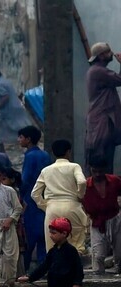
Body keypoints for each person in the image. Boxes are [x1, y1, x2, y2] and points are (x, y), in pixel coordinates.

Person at [31, 139, 89, 254]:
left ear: (53, 153)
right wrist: (80, 195)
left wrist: (45, 206)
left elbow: (34, 193)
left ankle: (55, 270)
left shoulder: (46, 170)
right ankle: (73, 270)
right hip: (72, 207)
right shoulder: (74, 166)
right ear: (69, 152)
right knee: (76, 246)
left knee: (53, 246)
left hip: (52, 209)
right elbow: (82, 182)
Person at [18, 126, 52, 270]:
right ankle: (42, 267)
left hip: (30, 199)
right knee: (44, 235)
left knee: (28, 237)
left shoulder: (29, 156)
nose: (19, 140)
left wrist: (20, 196)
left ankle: (26, 270)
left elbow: (25, 180)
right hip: (45, 198)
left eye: (21, 137)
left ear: (28, 139)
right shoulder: (45, 155)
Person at [85, 42, 121, 173]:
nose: (111, 54)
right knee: (101, 156)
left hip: (102, 120)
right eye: (108, 52)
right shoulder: (98, 72)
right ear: (101, 56)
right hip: (101, 121)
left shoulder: (97, 71)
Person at [82, 162, 121, 274]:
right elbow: (79, 199)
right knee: (98, 254)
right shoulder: (86, 185)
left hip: (114, 218)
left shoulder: (114, 181)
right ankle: (98, 275)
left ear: (105, 170)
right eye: (95, 171)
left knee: (119, 253)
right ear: (90, 170)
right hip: (97, 221)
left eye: (100, 171)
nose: (98, 174)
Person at [0, 69, 30, 152]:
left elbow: (5, 97)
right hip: (17, 106)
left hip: (8, 109)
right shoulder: (6, 81)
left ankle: (0, 148)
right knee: (20, 125)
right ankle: (28, 142)